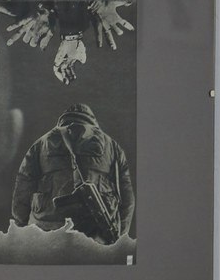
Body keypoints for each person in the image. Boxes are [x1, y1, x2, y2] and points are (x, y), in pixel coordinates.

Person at [10, 103, 135, 242]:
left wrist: (21, 226)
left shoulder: (40, 144)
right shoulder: (112, 146)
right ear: (92, 120)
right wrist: (119, 236)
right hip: (96, 236)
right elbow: (127, 198)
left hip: (47, 232)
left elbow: (23, 187)